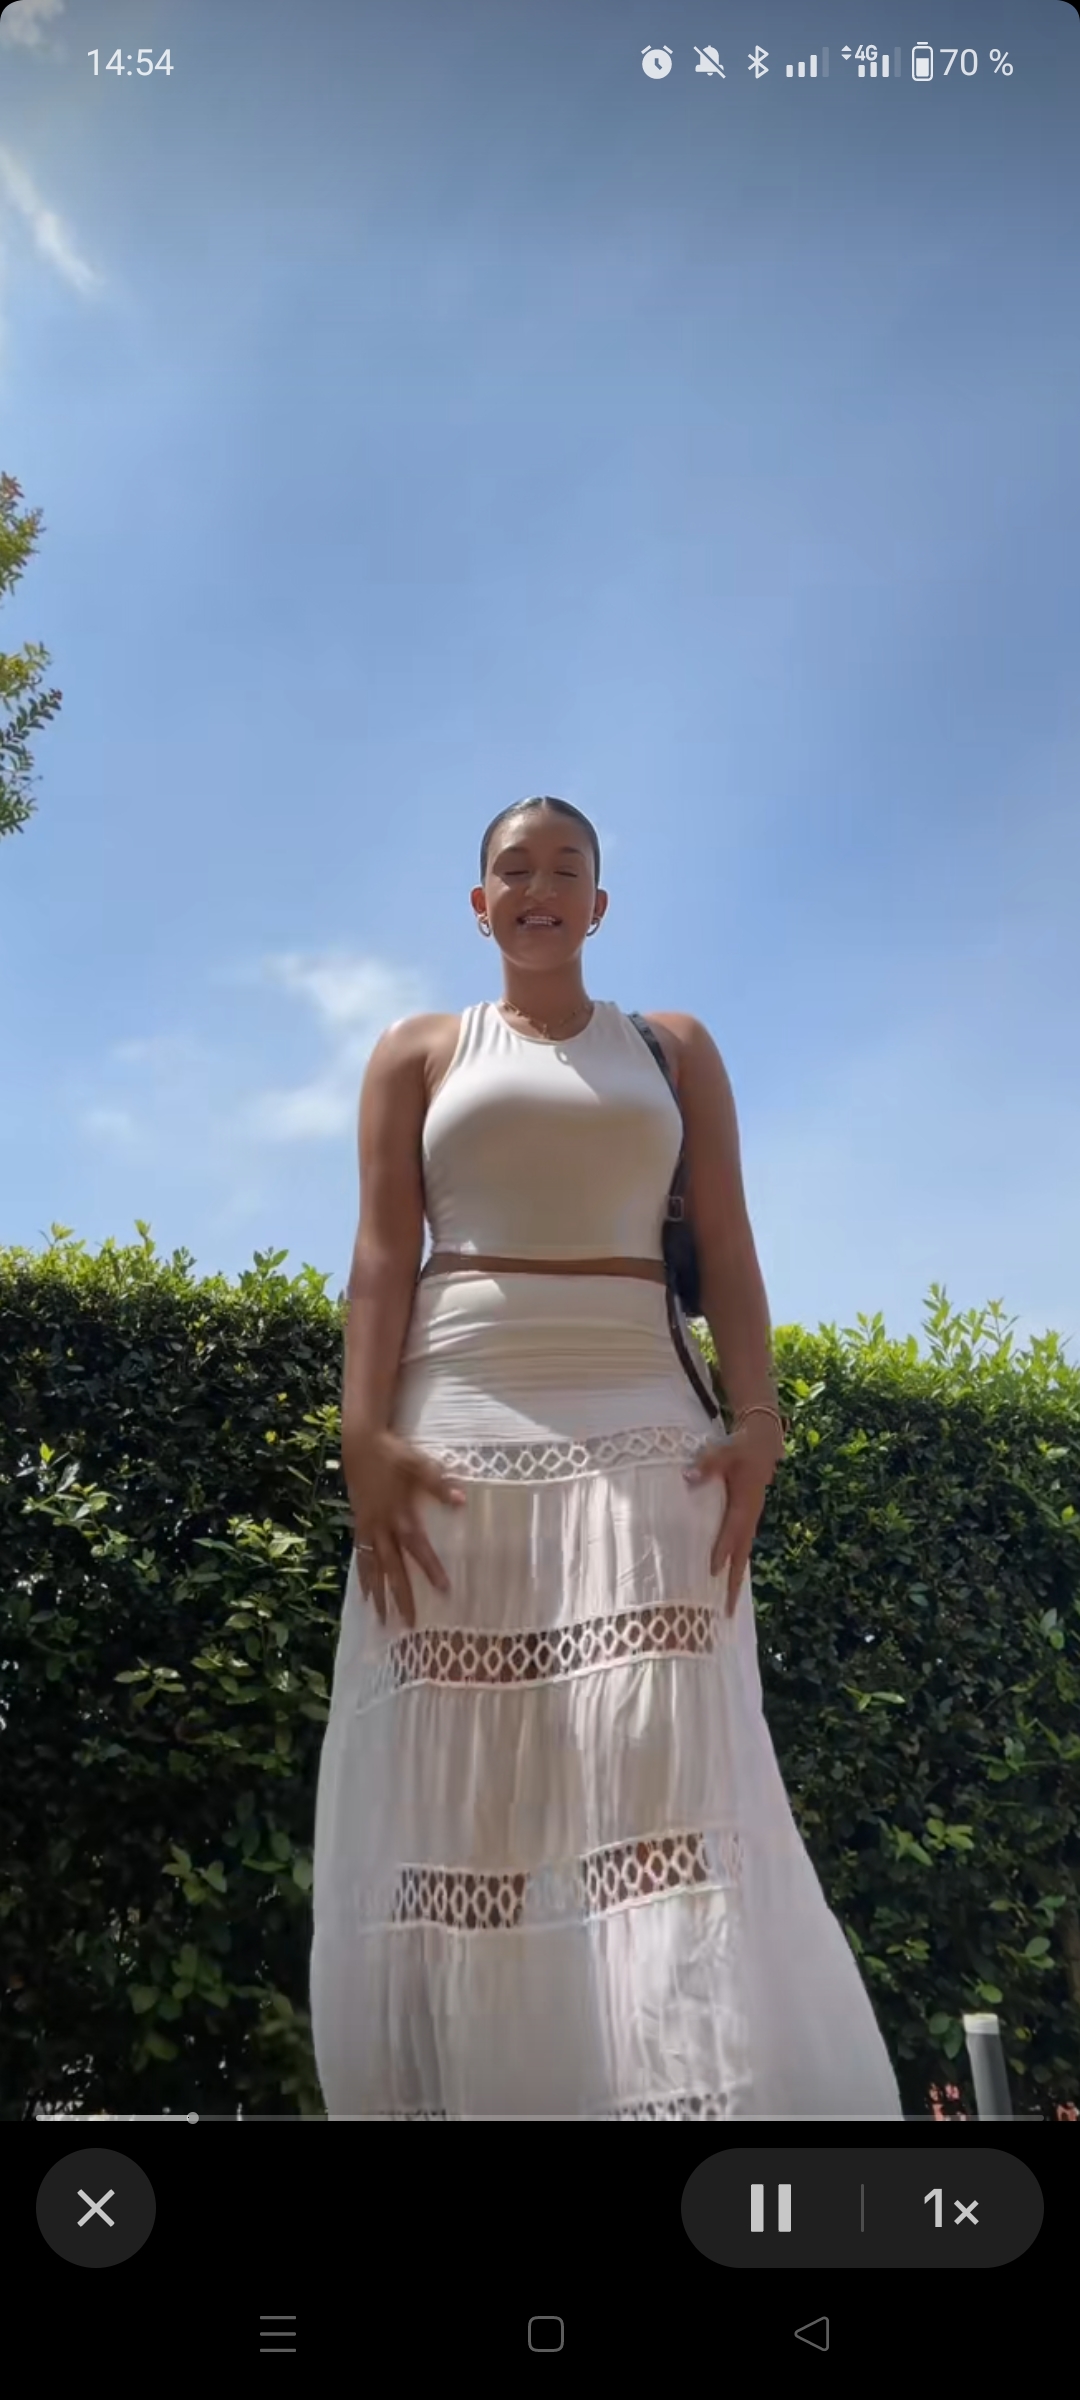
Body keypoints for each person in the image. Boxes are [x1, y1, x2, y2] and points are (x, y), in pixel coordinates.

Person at [309, 795, 902, 2119]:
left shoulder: (672, 1047)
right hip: (456, 1429)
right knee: (471, 1805)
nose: (540, 887)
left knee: (658, 1779)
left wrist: (759, 1422)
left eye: (566, 868)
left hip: (648, 1433)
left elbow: (730, 1244)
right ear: (479, 904)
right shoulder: (415, 1050)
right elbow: (381, 1254)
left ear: (599, 903)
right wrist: (362, 1436)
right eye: (513, 869)